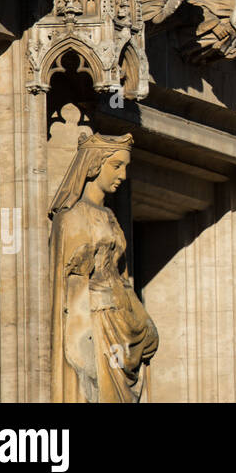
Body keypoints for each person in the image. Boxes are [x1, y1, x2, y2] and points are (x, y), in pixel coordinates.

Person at [48, 133, 158, 402]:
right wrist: (83, 344)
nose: (122, 174)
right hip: (97, 320)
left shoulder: (109, 215)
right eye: (117, 165)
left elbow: (121, 275)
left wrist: (139, 316)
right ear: (95, 164)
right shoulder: (72, 215)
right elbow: (70, 290)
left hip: (122, 317)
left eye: (125, 167)